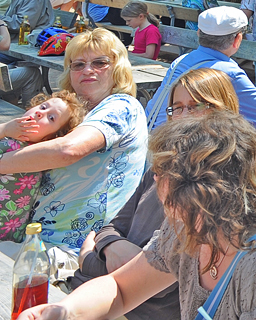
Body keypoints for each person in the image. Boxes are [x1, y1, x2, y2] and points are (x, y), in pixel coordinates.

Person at [23, 111, 256, 320]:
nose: (153, 182)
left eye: (162, 175)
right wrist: (65, 312)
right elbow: (120, 290)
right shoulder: (191, 225)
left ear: (200, 193)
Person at [73, 68, 242, 320]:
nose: (184, 116)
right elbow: (111, 227)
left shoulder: (215, 187)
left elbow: (161, 292)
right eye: (177, 107)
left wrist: (89, 257)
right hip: (107, 292)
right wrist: (114, 246)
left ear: (223, 111)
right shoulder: (161, 168)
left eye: (196, 106)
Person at [0, 30, 148, 253]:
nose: (88, 70)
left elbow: (67, 150)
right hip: (31, 237)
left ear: (117, 67)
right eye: (78, 65)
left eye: (100, 62)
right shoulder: (72, 112)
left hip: (72, 248)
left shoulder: (121, 106)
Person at [145, 7, 256, 131]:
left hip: (155, 138)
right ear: (238, 39)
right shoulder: (228, 72)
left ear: (198, 33)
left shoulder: (181, 61)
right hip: (182, 147)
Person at [0, 92, 87, 241]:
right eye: (43, 106)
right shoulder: (42, 157)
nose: (41, 113)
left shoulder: (11, 146)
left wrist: (5, 129)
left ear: (53, 137)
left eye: (51, 117)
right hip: (11, 236)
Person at [0, 0, 53, 105]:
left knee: (16, 68)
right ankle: (15, 103)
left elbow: (22, 24)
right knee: (26, 73)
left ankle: (18, 104)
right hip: (16, 45)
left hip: (26, 44)